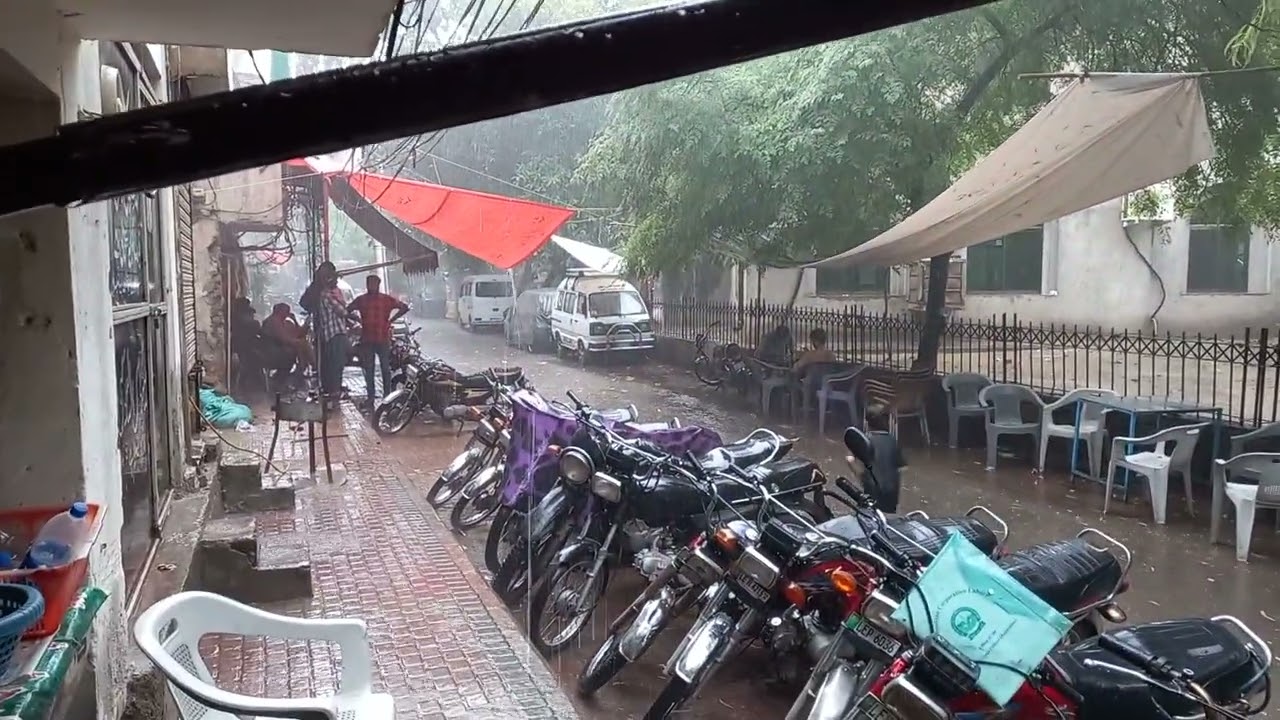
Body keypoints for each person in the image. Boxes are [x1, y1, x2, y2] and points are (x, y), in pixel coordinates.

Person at [347, 275, 409, 408]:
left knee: (385, 369)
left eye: (374, 283)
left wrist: (391, 320)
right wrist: (357, 320)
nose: (371, 286)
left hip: (382, 338)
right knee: (369, 369)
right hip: (369, 339)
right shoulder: (362, 300)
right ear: (367, 284)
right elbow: (347, 311)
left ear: (378, 284)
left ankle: (386, 396)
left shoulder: (385, 299)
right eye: (370, 283)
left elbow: (404, 307)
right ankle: (371, 397)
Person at [300, 261, 352, 402]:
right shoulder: (325, 294)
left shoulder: (319, 292)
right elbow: (342, 312)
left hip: (325, 334)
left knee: (328, 366)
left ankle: (330, 394)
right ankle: (333, 394)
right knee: (335, 366)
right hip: (333, 333)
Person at [261, 302, 312, 383]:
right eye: (286, 311)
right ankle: (309, 366)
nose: (288, 313)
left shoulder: (285, 322)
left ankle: (303, 369)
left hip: (281, 349)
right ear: (279, 311)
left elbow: (299, 333)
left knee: (302, 344)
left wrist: (295, 320)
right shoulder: (272, 321)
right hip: (272, 353)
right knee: (300, 346)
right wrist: (297, 342)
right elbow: (283, 338)